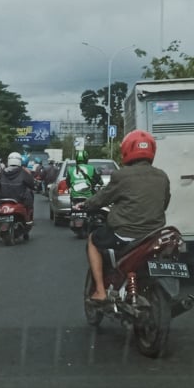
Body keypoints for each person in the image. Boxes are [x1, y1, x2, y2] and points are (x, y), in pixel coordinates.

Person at [79, 130, 170, 303]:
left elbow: (101, 199)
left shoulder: (121, 175)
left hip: (125, 234)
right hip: (153, 235)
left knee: (93, 239)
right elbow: (164, 203)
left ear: (127, 150)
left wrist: (85, 205)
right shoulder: (162, 176)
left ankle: (100, 291)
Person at [0, 152, 37, 224]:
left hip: (3, 198)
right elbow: (31, 184)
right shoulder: (23, 172)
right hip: (20, 199)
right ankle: (28, 219)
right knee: (29, 199)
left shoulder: (2, 172)